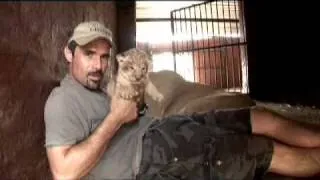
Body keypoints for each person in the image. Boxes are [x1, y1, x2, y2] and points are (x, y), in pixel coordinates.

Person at [44, 21, 320, 180]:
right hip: (154, 158)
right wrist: (116, 118)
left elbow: (125, 118)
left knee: (257, 117)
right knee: (260, 150)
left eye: (104, 57)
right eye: (89, 54)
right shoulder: (62, 101)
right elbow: (64, 172)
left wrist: (133, 106)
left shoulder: (95, 91)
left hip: (165, 129)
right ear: (69, 55)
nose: (98, 65)